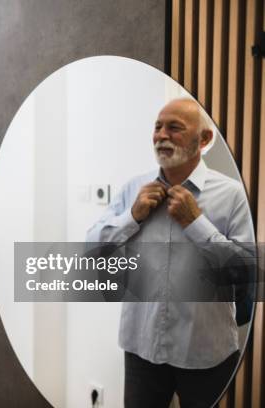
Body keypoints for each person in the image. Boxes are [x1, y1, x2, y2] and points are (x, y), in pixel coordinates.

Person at [86, 98, 254, 408]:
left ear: (203, 140)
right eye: (157, 127)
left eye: (175, 127)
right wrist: (132, 216)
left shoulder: (231, 195)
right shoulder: (133, 189)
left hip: (207, 353)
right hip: (141, 351)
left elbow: (245, 272)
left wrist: (197, 224)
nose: (162, 135)